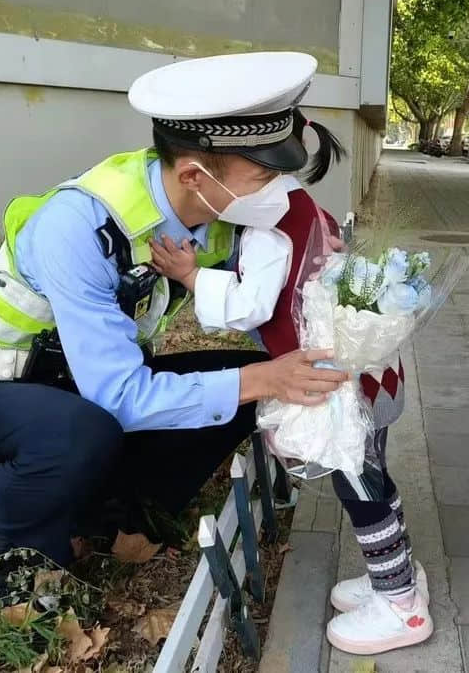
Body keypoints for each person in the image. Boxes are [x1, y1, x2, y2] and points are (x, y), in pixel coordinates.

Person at [0, 51, 348, 610]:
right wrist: (263, 378)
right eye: (265, 176)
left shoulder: (213, 213)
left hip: (80, 383)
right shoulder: (80, 227)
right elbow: (117, 395)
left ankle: (109, 508)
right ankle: (0, 546)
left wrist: (326, 277)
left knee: (233, 386)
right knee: (92, 429)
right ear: (195, 174)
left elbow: (264, 294)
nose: (276, 190)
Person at [150, 135, 432, 655]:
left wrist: (192, 276)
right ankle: (394, 573)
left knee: (360, 487)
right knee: (374, 480)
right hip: (368, 373)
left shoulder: (267, 229)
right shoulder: (302, 204)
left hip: (338, 388)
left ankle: (401, 603)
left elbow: (248, 308)